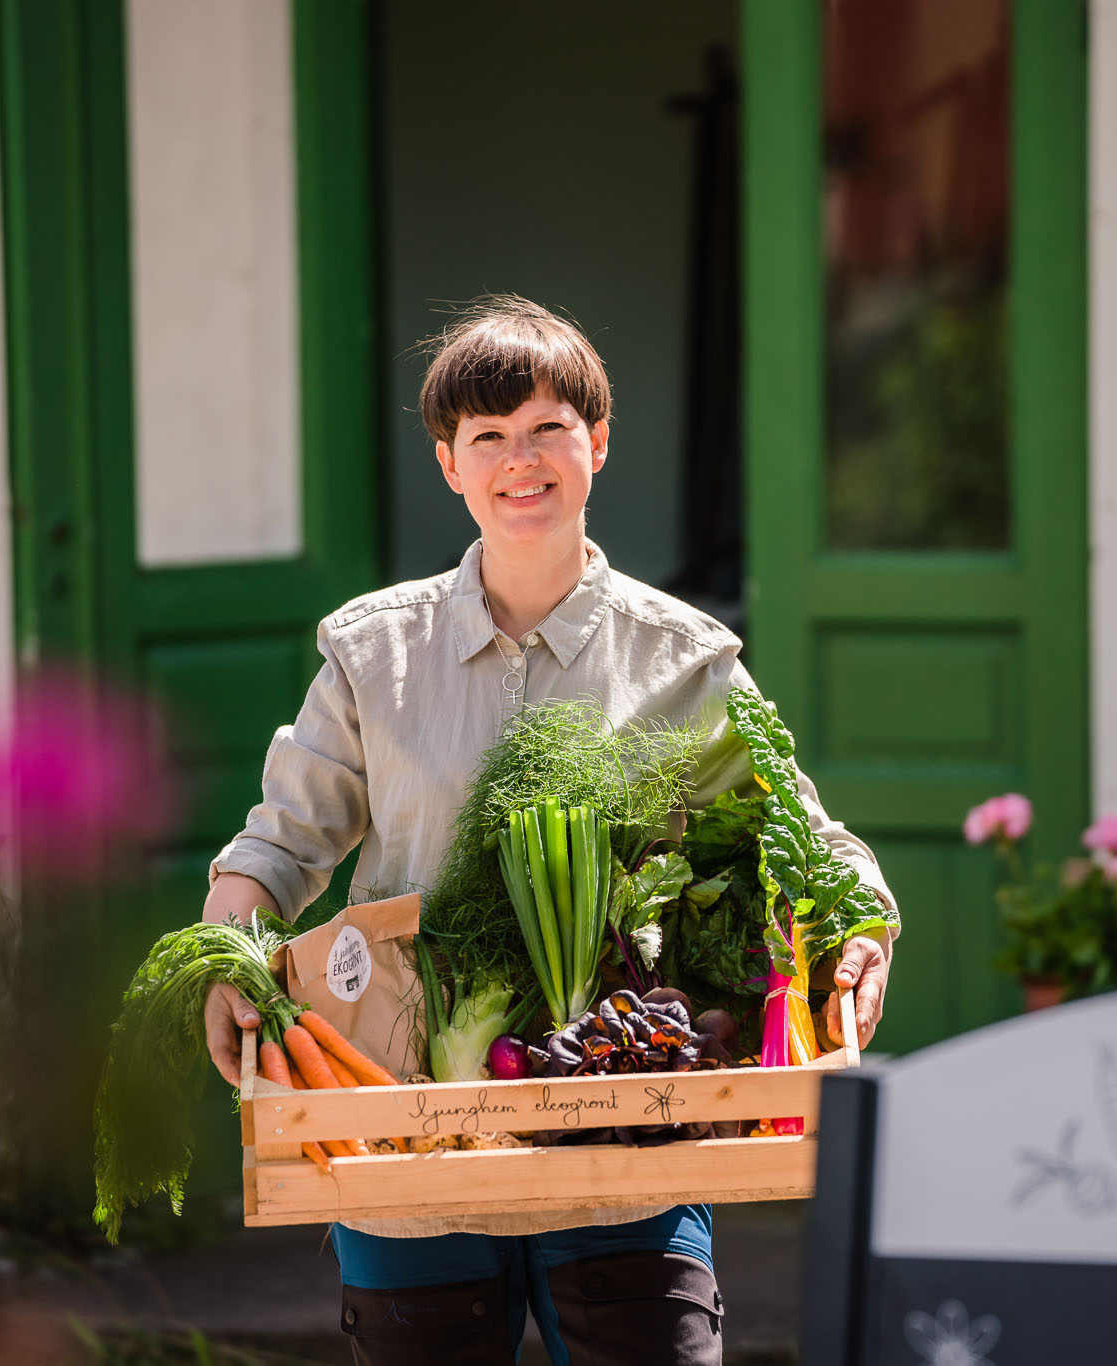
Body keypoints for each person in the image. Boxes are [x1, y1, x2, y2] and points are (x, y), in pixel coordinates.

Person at [199, 296, 896, 1365]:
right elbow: (278, 846)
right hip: (404, 1134)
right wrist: (223, 953)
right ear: (449, 464)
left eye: (546, 429)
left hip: (627, 1123)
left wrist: (861, 924)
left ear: (596, 442)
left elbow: (807, 838)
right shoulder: (371, 654)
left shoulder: (683, 659)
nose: (518, 461)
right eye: (486, 436)